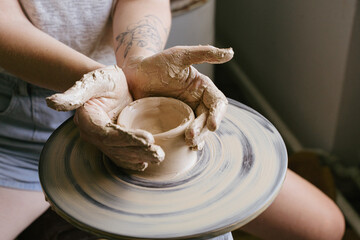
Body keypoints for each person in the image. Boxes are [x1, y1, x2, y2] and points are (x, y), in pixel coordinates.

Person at [0, 0, 345, 240]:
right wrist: (96, 79)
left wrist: (136, 64)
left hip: (132, 88)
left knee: (327, 226)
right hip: (20, 128)